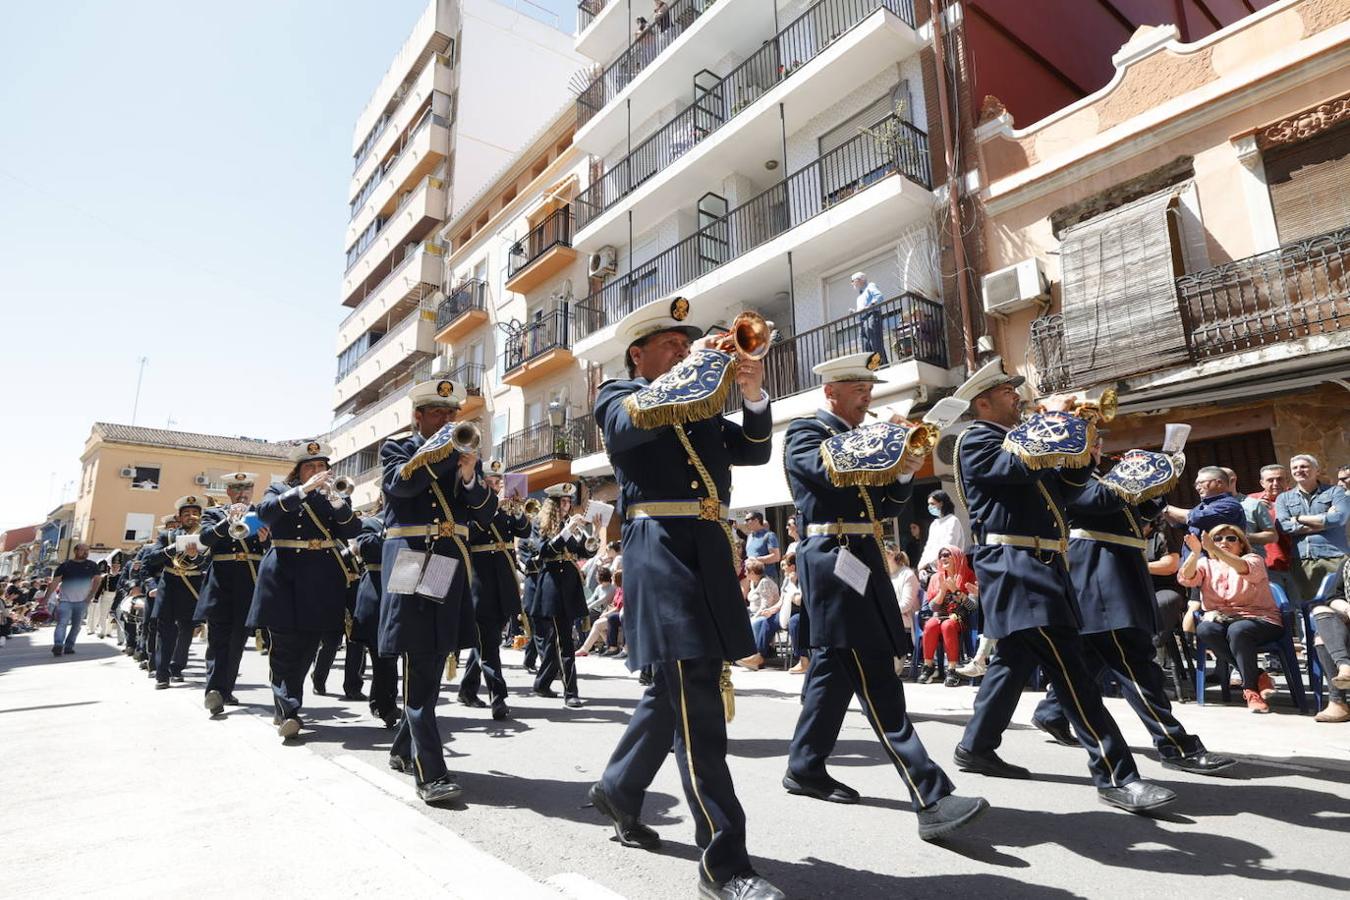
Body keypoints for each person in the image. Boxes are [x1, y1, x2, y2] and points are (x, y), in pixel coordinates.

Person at [588, 300, 784, 900]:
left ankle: (619, 789)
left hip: (705, 547)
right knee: (695, 697)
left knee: (673, 688)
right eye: (669, 343)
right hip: (660, 550)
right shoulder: (618, 395)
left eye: (686, 343)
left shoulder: (696, 406)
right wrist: (689, 371)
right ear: (637, 354)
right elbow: (625, 428)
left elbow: (752, 450)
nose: (683, 349)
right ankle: (723, 861)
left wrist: (751, 391)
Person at [951, 357, 1175, 813]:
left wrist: (1084, 442)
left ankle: (974, 747)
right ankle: (1117, 775)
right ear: (984, 401)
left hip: (1043, 562)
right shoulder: (977, 439)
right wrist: (1057, 422)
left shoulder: (1020, 440)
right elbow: (1014, 470)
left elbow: (1067, 488)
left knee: (1012, 660)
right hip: (1014, 562)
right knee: (1071, 671)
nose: (1018, 398)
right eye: (1009, 393)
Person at [782, 350, 986, 839]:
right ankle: (929, 792)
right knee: (873, 670)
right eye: (858, 389)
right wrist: (885, 438)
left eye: (869, 389)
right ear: (831, 392)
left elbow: (889, 503)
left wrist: (903, 466)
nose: (867, 397)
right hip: (831, 554)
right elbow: (830, 471)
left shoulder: (862, 440)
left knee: (835, 669)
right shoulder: (806, 432)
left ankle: (804, 767)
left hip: (862, 552)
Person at [1029, 459, 1235, 775]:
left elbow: (1146, 512)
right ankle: (1175, 744)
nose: (1096, 443)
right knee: (1135, 661)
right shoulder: (1068, 474)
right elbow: (1098, 501)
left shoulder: (1106, 475)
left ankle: (1051, 712)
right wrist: (1135, 478)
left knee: (1093, 656)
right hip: (1098, 573)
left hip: (1118, 571)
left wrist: (1159, 479)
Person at [378, 379, 496, 804]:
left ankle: (401, 748)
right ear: (418, 418)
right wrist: (445, 455)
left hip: (444, 560)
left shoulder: (461, 456)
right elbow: (402, 486)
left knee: (431, 652)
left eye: (452, 415)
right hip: (410, 555)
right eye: (438, 415)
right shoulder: (398, 450)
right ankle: (431, 773)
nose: (448, 422)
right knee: (417, 655)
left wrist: (469, 478)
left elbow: (484, 515)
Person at [246, 440, 362, 741]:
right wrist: (303, 490)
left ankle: (284, 705)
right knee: (284, 648)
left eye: (322, 467)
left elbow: (351, 531)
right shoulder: (280, 491)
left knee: (308, 648)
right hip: (283, 577)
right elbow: (266, 512)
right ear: (298, 471)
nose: (318, 472)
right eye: (311, 467)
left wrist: (337, 501)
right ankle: (289, 711)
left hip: (320, 580)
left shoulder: (332, 498)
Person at [1179, 524, 1283, 714]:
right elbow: (1186, 579)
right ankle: (1258, 676)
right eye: (1217, 539)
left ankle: (1250, 690)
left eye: (1230, 539)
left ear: (1241, 544)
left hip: (1261, 620)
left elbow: (1243, 568)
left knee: (1239, 630)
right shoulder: (1206, 564)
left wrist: (1214, 548)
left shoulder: (1253, 559)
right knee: (1204, 629)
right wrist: (1195, 553)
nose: (1223, 542)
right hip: (1223, 621)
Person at [458, 459, 533, 720]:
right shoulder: (471, 505)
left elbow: (525, 531)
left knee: (486, 641)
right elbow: (468, 535)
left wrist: (518, 511)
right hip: (481, 581)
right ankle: (498, 697)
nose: (494, 486)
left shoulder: (505, 509)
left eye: (497, 482)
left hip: (504, 581)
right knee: (489, 643)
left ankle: (467, 689)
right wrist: (491, 508)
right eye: (490, 482)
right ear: (481, 483)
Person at [197, 473, 271, 716]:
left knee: (237, 642)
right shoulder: (214, 514)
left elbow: (272, 550)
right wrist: (228, 521)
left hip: (249, 583)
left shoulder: (262, 514)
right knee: (218, 640)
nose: (242, 493)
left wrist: (265, 541)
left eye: (247, 488)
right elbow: (205, 539)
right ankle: (214, 691)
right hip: (221, 582)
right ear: (228, 491)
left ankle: (225, 690)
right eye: (237, 488)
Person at [525, 482, 596, 708]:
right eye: (563, 502)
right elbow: (545, 551)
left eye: (568, 502)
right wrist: (567, 531)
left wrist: (593, 534)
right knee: (564, 641)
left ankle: (542, 683)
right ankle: (571, 692)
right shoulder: (540, 524)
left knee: (557, 640)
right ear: (553, 504)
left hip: (570, 587)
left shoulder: (569, 524)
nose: (567, 505)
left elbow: (583, 551)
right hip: (552, 587)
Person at [146, 497, 208, 688]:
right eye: (187, 514)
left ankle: (177, 668)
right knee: (165, 630)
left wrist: (194, 556)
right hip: (170, 583)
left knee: (187, 629)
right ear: (179, 518)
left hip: (193, 585)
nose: (191, 517)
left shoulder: (206, 536)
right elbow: (152, 559)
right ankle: (162, 674)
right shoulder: (167, 535)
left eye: (195, 513)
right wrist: (173, 549)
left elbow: (209, 563)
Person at [1275, 453, 1348, 605]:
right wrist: (1324, 521)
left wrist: (1298, 519)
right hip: (1303, 560)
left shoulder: (1335, 492)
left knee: (1343, 601)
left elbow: (1340, 518)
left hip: (1336, 556)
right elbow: (1283, 526)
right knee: (1313, 605)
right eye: (1295, 468)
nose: (1299, 470)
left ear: (1316, 470)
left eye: (1304, 466)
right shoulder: (1284, 498)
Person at [352, 500, 400, 728]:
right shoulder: (372, 522)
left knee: (393, 655)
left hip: (401, 589)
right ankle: (384, 704)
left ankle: (385, 701)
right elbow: (367, 547)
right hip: (376, 593)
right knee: (381, 655)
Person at [918, 546, 977, 686]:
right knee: (931, 624)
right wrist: (943, 591)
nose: (943, 558)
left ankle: (952, 669)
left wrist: (956, 591)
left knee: (948, 625)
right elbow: (931, 607)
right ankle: (929, 667)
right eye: (941, 556)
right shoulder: (935, 578)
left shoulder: (969, 575)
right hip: (940, 615)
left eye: (947, 554)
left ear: (957, 556)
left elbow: (973, 606)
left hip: (961, 617)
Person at [1309, 558, 1350, 722]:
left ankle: (1337, 701)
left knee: (1324, 638)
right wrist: (1348, 608)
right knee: (1321, 613)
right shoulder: (1347, 564)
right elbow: (1333, 598)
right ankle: (1345, 667)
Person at [44, 543, 103, 657]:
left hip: (82, 601)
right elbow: (55, 582)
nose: (85, 552)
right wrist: (45, 599)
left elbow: (97, 581)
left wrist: (91, 596)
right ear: (75, 551)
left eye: (87, 550)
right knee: (62, 623)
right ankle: (58, 645)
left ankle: (69, 646)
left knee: (76, 626)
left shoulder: (92, 565)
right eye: (83, 550)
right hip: (65, 601)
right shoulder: (65, 565)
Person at [1165, 466, 1246, 543]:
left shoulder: (1229, 505)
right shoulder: (1202, 506)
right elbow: (1180, 524)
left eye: (1201, 483)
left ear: (1219, 483)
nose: (1197, 487)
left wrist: (1165, 508)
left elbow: (1195, 518)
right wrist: (1159, 505)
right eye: (1196, 484)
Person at [737, 560, 781, 670]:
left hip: (766, 613)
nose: (745, 573)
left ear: (753, 573)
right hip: (752, 611)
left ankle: (755, 654)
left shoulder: (764, 582)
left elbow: (765, 604)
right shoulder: (753, 583)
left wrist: (755, 616)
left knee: (755, 622)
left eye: (747, 571)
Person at [916, 490, 965, 580]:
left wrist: (929, 562)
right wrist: (921, 565)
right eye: (929, 504)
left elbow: (949, 546)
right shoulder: (934, 524)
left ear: (941, 503)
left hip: (950, 570)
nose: (930, 507)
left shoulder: (952, 521)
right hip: (933, 570)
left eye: (932, 504)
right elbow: (929, 547)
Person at [780, 552, 808, 673]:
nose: (783, 568)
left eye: (785, 565)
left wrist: (792, 585)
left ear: (793, 567)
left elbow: (798, 601)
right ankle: (758, 656)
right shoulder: (787, 579)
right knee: (765, 621)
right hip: (786, 610)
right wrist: (771, 610)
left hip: (804, 612)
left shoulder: (802, 578)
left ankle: (804, 661)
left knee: (795, 622)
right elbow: (782, 599)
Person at [851, 271, 888, 364]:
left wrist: (869, 306)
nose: (852, 284)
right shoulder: (859, 297)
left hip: (872, 315)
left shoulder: (870, 286)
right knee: (865, 345)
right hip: (862, 321)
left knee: (875, 342)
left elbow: (879, 297)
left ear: (861, 280)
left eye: (853, 281)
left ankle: (883, 365)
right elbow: (861, 310)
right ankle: (872, 367)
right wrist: (855, 313)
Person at [741, 511, 781, 584]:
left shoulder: (769, 535)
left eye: (747, 520)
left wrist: (756, 560)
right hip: (752, 578)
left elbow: (776, 557)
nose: (744, 523)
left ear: (756, 520)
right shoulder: (750, 536)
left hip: (767, 578)